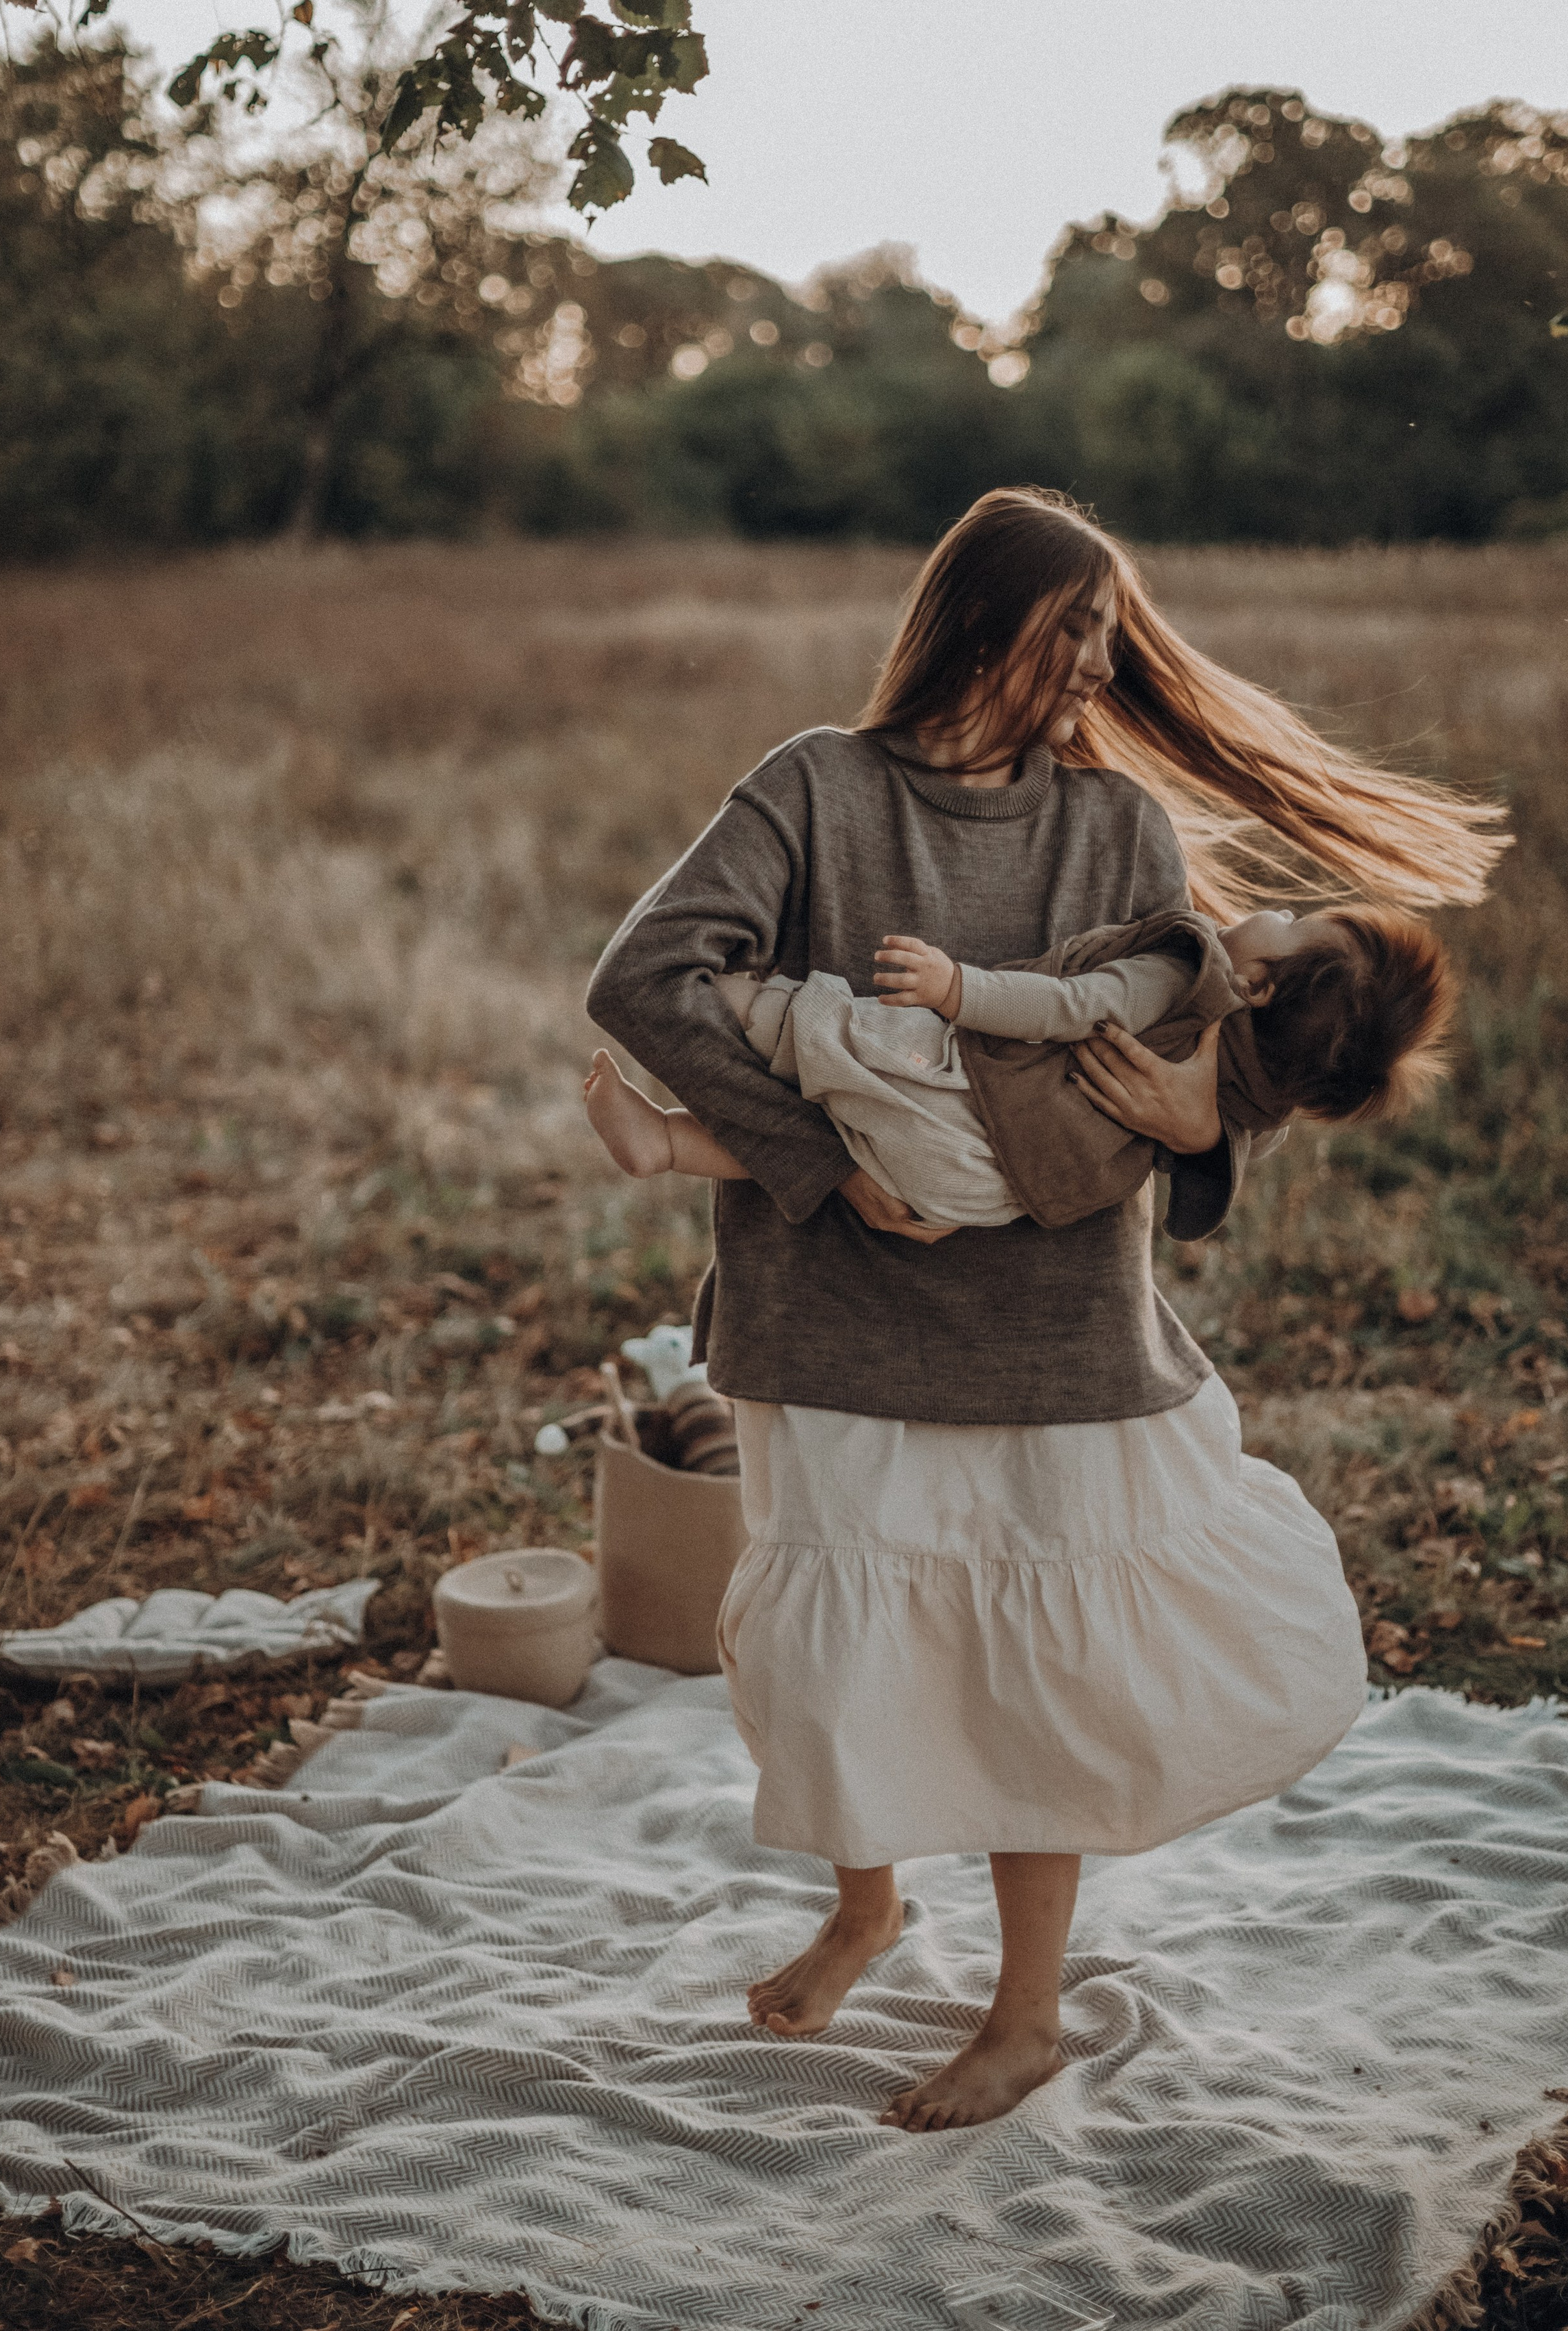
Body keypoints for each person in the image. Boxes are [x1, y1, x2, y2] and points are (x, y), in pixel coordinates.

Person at [583, 488, 1506, 2134]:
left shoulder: (1118, 830)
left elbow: (1225, 1057)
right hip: (830, 1308)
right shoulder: (814, 786)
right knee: (832, 1647)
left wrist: (1195, 1124)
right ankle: (866, 1906)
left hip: (1051, 1338)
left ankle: (1022, 2016)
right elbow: (643, 976)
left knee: (1031, 1673)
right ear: (970, 622)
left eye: (1106, 637)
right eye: (1061, 632)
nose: (1090, 666)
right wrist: (809, 1160)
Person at [582, 896, 1454, 1233]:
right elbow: (1214, 1183)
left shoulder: (1182, 980)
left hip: (967, 1101)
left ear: (1259, 985)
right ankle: (662, 1141)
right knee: (849, 1135)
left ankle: (697, 1080)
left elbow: (1068, 1005)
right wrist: (1198, 1133)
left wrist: (958, 987)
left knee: (814, 1027)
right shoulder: (1256, 1116)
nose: (1274, 905)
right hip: (971, 1201)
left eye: (1292, 917)